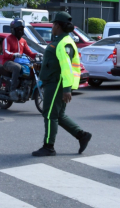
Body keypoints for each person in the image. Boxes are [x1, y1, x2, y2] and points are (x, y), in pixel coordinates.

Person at [33, 12, 92, 157]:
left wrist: (66, 89)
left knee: (49, 115)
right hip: (55, 82)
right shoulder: (61, 40)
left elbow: (66, 67)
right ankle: (82, 135)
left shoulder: (63, 43)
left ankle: (48, 147)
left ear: (58, 26)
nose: (52, 27)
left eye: (53, 24)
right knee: (58, 115)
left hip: (57, 83)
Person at [2, 19, 37, 100]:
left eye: (22, 29)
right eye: (18, 29)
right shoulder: (8, 39)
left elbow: (30, 53)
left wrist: (38, 55)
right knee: (17, 67)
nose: (20, 31)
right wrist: (14, 54)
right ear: (13, 30)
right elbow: (5, 52)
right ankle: (12, 90)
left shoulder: (23, 41)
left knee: (33, 68)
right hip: (8, 62)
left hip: (21, 61)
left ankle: (30, 89)